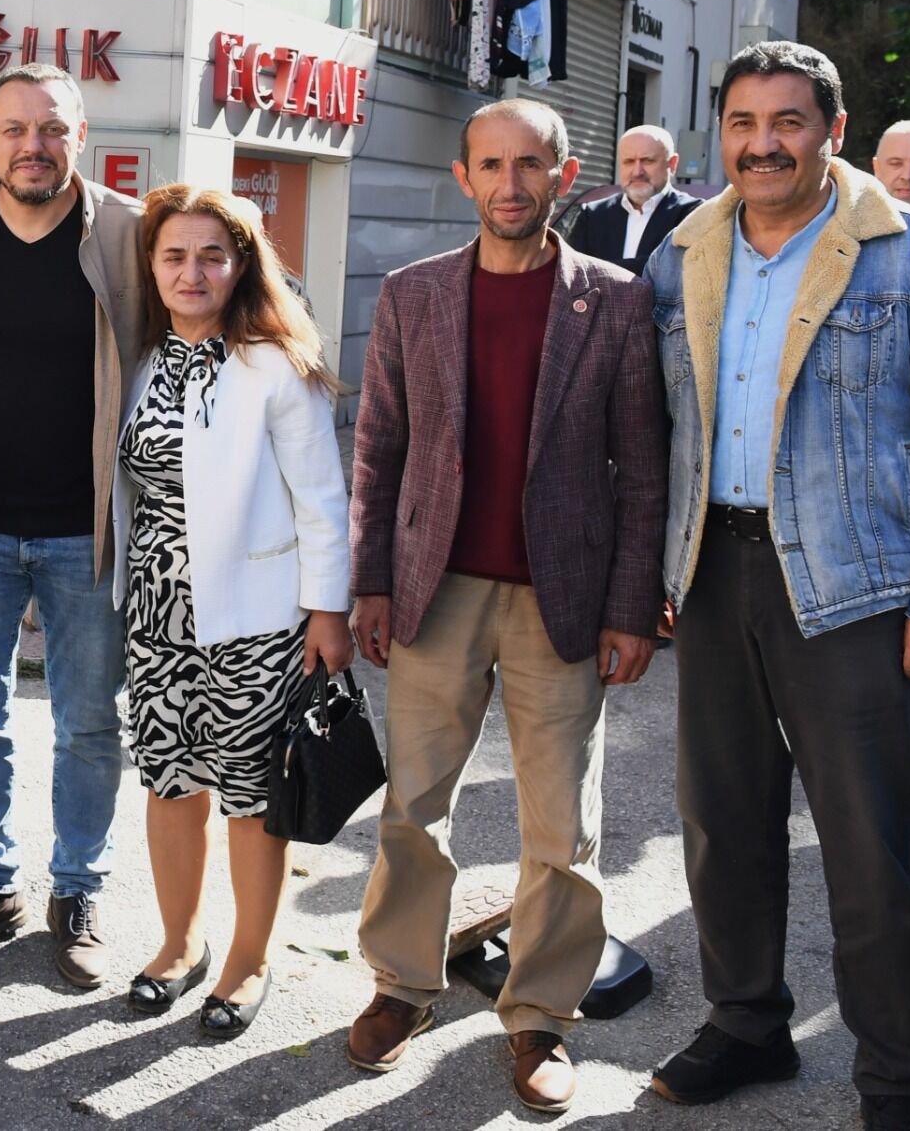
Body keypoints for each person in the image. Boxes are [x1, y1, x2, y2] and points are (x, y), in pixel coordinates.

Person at [643, 43, 910, 1131]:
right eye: (743, 123)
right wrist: (651, 571)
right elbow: (653, 428)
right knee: (722, 827)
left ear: (833, 131)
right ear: (720, 133)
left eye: (788, 122)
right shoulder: (682, 251)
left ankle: (893, 1085)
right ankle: (746, 1023)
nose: (762, 144)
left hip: (856, 589)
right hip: (713, 575)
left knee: (867, 856)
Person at [344, 99, 667, 1112]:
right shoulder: (413, 293)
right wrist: (370, 580)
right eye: (491, 164)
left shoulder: (616, 300)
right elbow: (378, 446)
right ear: (464, 176)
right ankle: (402, 983)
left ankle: (540, 1013)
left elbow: (643, 469)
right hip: (433, 588)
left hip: (561, 595)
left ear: (564, 176)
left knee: (561, 822)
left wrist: (631, 607)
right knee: (413, 805)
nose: (510, 183)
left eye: (530, 164)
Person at [0, 63, 146, 989]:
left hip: (87, 531)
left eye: (51, 129)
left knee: (89, 723)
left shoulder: (130, 232)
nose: (32, 147)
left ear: (80, 136)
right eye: (13, 129)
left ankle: (77, 890)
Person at [114, 184, 350, 1038]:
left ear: (241, 264)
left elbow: (323, 500)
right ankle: (180, 946)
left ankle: (249, 960)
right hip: (157, 614)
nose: (192, 272)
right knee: (169, 781)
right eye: (174, 255)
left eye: (211, 255)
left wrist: (328, 613)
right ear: (151, 266)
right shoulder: (139, 359)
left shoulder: (276, 364)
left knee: (252, 795)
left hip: (257, 619)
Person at [563, 124, 702, 273]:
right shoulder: (591, 214)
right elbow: (572, 269)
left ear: (672, 164)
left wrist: (597, 270)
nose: (637, 172)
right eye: (629, 161)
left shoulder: (693, 214)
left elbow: (676, 267)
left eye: (648, 160)